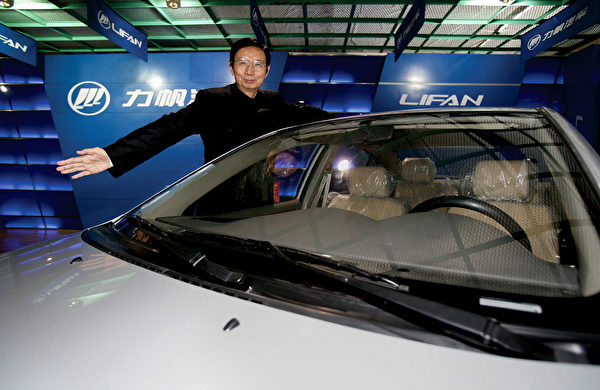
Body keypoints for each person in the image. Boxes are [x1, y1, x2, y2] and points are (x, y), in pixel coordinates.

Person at [56, 38, 335, 179]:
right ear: (231, 67)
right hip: (217, 190)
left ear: (267, 69)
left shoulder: (273, 101)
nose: (250, 71)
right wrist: (112, 155)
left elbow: (310, 116)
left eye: (258, 64)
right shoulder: (211, 100)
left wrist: (361, 121)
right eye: (242, 63)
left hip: (260, 190)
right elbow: (165, 129)